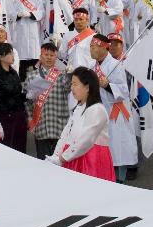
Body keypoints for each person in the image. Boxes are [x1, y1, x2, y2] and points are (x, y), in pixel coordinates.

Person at [47, 67, 114, 180]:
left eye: (75, 84)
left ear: (87, 87)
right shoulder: (79, 107)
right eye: (71, 84)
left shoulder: (97, 109)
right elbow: (66, 133)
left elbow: (86, 140)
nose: (71, 88)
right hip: (72, 156)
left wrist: (62, 158)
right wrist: (56, 154)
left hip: (90, 159)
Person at [88, 33, 137, 183]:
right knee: (102, 148)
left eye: (93, 46)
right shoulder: (92, 67)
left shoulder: (115, 66)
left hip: (115, 114)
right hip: (100, 113)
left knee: (118, 148)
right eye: (90, 46)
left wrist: (107, 85)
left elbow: (123, 91)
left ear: (103, 48)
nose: (90, 49)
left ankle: (119, 179)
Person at [24, 40, 72, 160]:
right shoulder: (31, 76)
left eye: (52, 55)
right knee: (42, 161)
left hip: (59, 124)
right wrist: (30, 118)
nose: (49, 58)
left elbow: (68, 89)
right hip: (40, 124)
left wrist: (71, 75)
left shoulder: (62, 75)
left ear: (56, 57)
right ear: (40, 56)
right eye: (46, 55)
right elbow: (27, 101)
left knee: (59, 161)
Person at [0, 42, 28, 151]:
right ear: (0, 57)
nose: (13, 56)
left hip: (19, 115)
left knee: (20, 148)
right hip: (5, 117)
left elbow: (17, 94)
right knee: (6, 149)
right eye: (10, 53)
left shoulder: (13, 72)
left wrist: (29, 94)